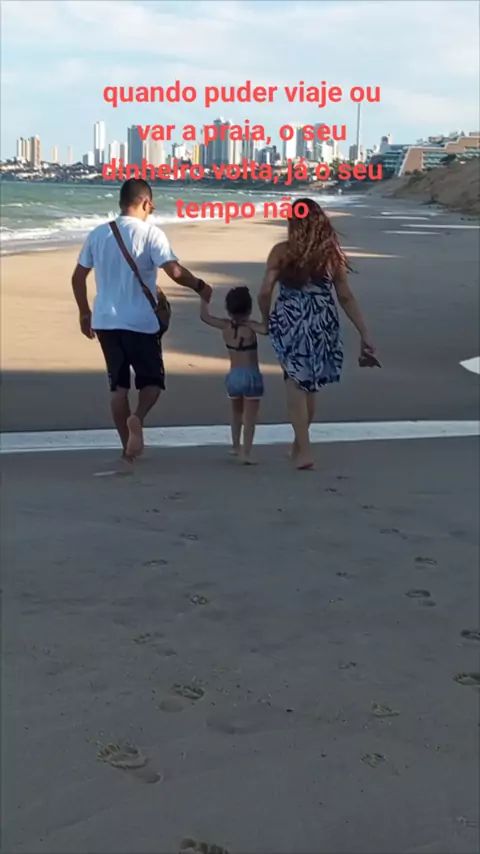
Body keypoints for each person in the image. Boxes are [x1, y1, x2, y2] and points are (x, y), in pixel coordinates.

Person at [71, 178, 212, 461]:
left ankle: (128, 447)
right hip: (141, 322)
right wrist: (200, 286)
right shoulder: (151, 234)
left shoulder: (99, 233)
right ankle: (138, 417)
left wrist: (84, 312)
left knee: (117, 389)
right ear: (145, 203)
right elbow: (174, 272)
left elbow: (78, 277)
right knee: (152, 382)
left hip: (106, 322)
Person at [258, 197, 377, 471]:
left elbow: (264, 292)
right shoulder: (331, 255)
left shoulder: (281, 251)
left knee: (294, 382)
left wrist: (265, 320)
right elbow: (345, 296)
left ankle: (304, 451)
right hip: (323, 320)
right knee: (310, 384)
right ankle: (299, 446)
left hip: (290, 320)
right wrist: (364, 332)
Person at [200, 286, 267, 464]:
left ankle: (236, 445)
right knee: (250, 417)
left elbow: (205, 317)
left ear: (228, 309)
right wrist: (265, 310)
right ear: (249, 309)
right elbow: (266, 329)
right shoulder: (250, 327)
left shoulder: (225, 326)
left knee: (236, 412)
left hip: (234, 375)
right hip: (251, 374)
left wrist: (203, 298)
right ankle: (246, 451)